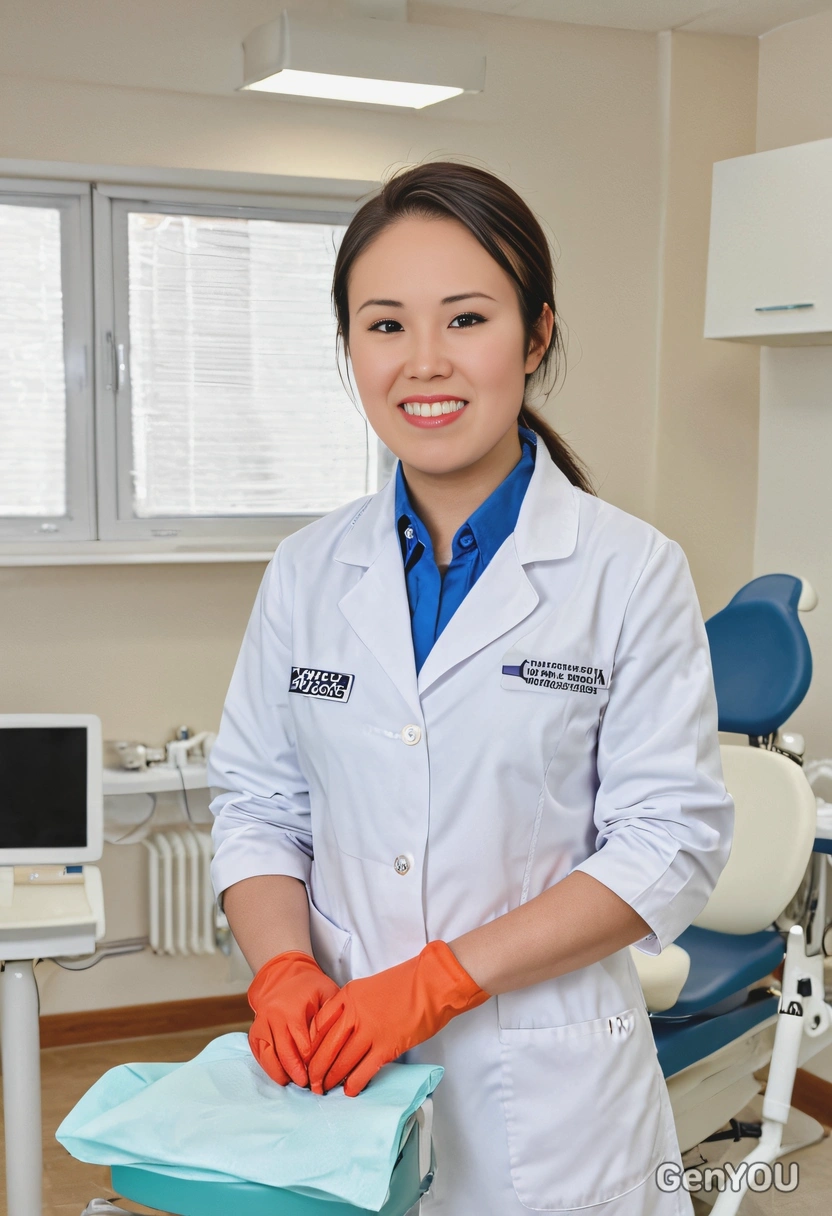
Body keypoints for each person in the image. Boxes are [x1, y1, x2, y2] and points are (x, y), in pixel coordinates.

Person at [207, 161, 734, 1216]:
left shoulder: (629, 571)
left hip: (552, 1114)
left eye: (466, 318)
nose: (425, 362)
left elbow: (667, 842)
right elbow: (259, 805)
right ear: (350, 347)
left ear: (536, 337)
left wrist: (438, 981)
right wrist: (283, 971)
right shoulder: (307, 572)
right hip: (339, 1081)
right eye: (385, 325)